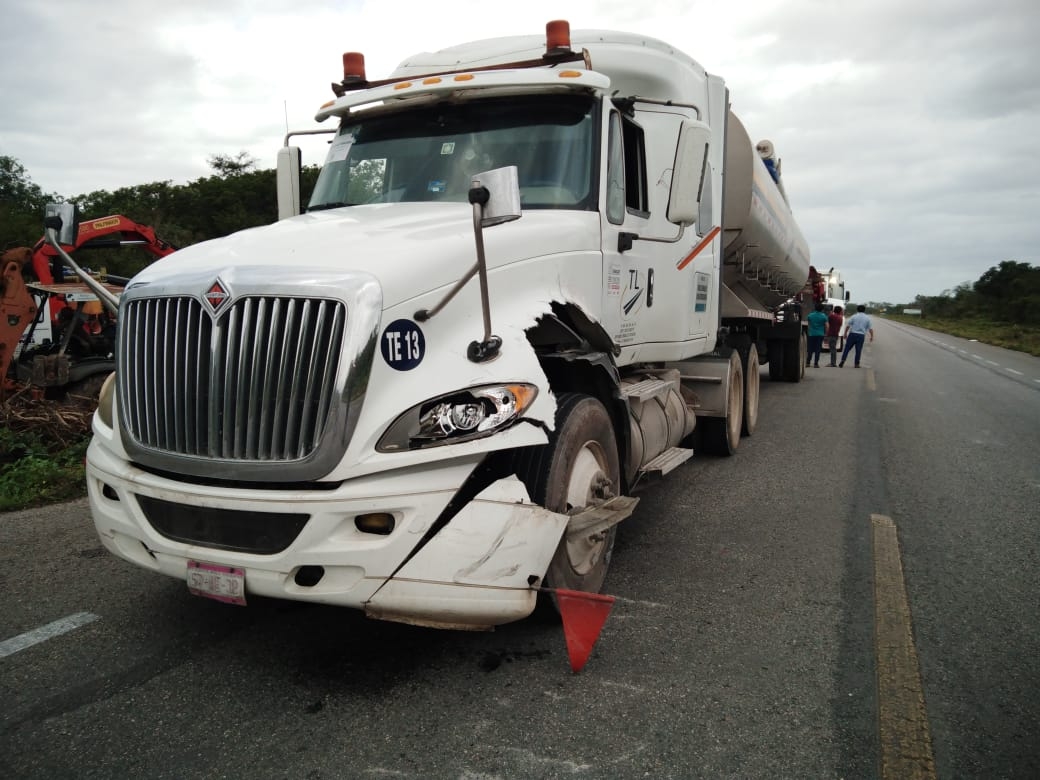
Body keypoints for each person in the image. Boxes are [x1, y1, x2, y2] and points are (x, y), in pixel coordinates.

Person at [806, 302, 828, 368]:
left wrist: (808, 332)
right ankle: (816, 363)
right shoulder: (824, 316)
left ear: (815, 308)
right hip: (820, 334)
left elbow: (808, 325)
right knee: (818, 349)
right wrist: (826, 334)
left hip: (811, 334)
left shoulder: (810, 315)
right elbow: (827, 326)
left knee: (810, 349)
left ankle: (808, 363)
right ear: (822, 309)